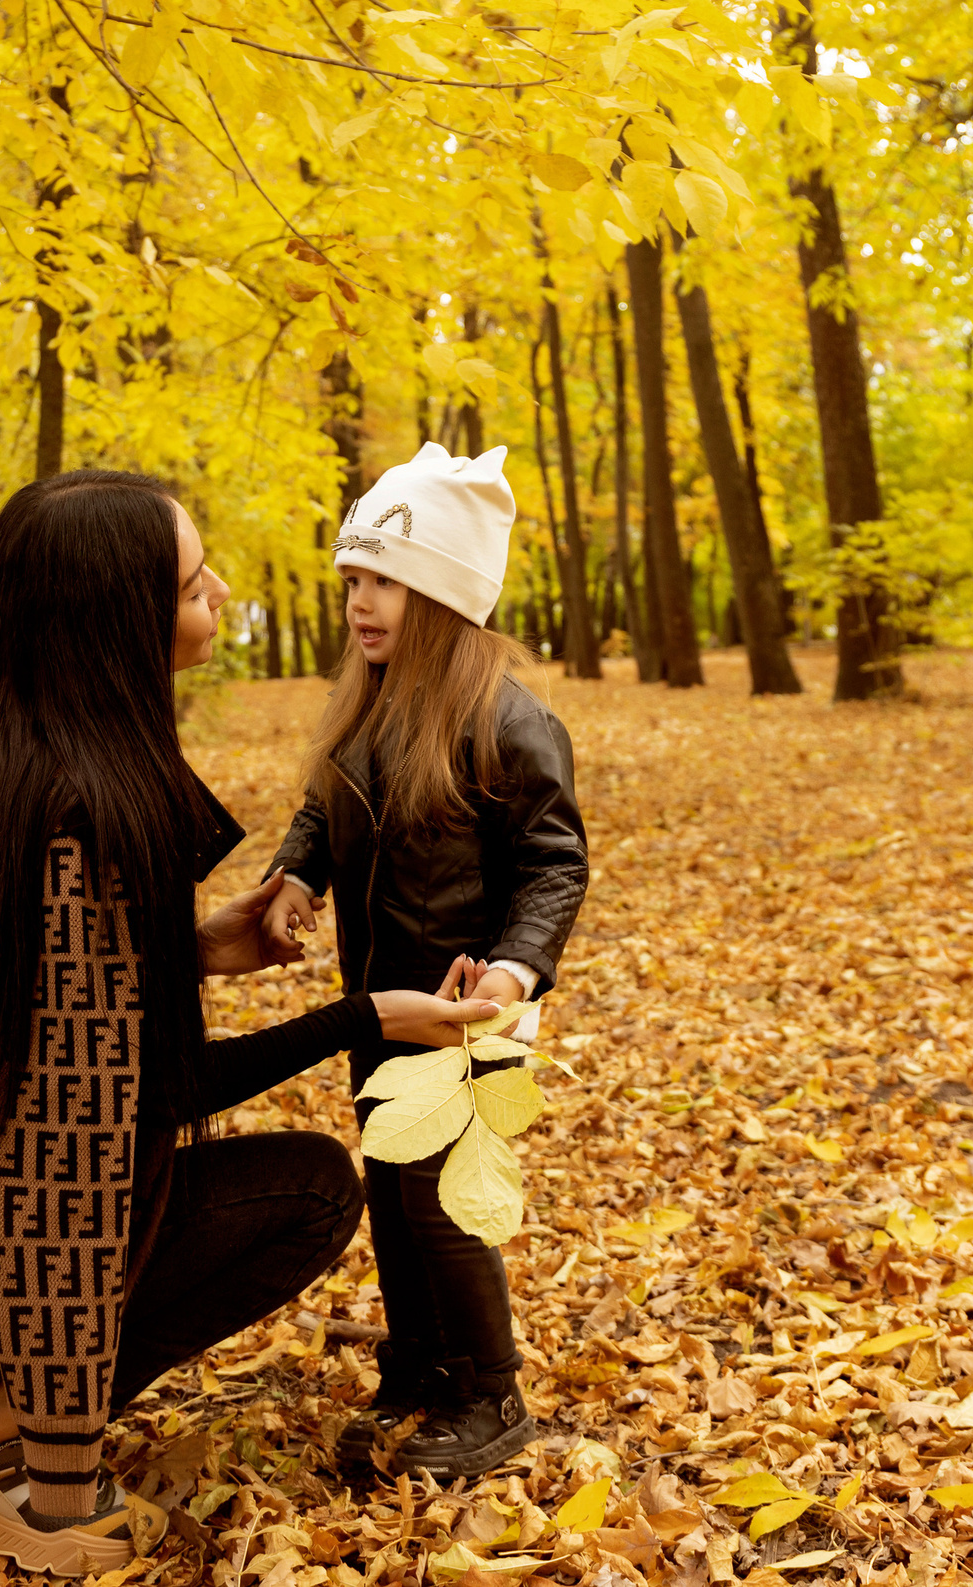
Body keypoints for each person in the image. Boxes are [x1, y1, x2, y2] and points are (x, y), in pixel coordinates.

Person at [0, 469, 499, 1576]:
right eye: (195, 585)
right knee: (309, 1193)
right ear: (116, 623)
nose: (220, 591)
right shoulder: (77, 826)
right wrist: (56, 1472)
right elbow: (68, 1162)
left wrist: (184, 951)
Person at [261, 444, 589, 1480]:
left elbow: (553, 864)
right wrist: (292, 878)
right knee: (391, 1179)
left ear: (445, 596)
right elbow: (324, 805)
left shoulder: (504, 718)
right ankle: (422, 1362)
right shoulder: (373, 702)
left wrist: (512, 972)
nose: (362, 603)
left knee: (440, 1196)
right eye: (354, 580)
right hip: (377, 1000)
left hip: (460, 1006)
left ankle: (492, 1393)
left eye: (388, 583)